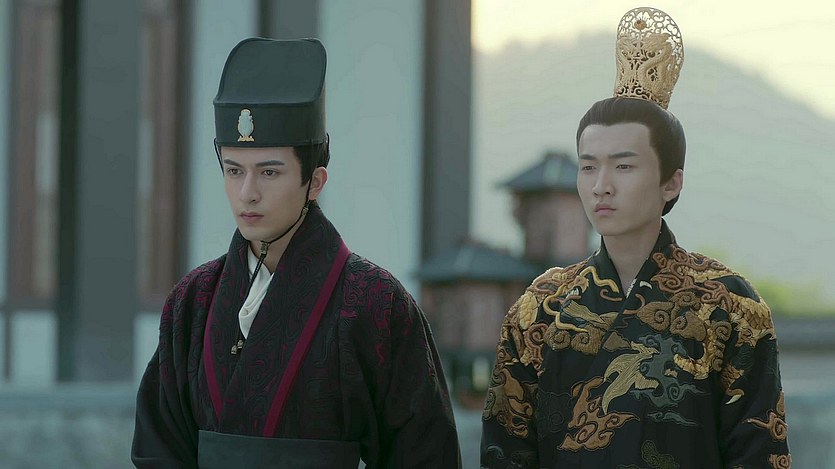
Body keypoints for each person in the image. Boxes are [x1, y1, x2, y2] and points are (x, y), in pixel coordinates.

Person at [481, 7, 791, 469]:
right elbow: (504, 453)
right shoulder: (541, 308)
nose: (601, 185)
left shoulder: (729, 305)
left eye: (624, 166)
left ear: (672, 182)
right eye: (588, 166)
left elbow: (760, 455)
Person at [132, 37, 461, 469]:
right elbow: (158, 449)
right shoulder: (192, 301)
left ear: (315, 181)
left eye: (269, 172)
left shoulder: (376, 303)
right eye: (234, 170)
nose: (247, 193)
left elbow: (425, 454)